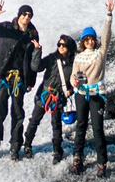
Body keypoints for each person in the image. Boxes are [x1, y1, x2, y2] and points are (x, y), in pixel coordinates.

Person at [0, 0, 39, 161]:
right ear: (19, 15)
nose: (26, 17)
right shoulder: (7, 28)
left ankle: (15, 147)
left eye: (29, 15)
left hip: (20, 79)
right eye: (24, 14)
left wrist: (30, 82)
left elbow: (33, 60)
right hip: (4, 76)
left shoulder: (32, 35)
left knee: (17, 113)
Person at [70, 0, 115, 177]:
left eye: (91, 39)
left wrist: (109, 15)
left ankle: (102, 162)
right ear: (82, 41)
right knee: (81, 125)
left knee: (97, 128)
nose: (89, 42)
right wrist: (75, 81)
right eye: (86, 39)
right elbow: (76, 74)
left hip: (97, 94)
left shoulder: (100, 53)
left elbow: (107, 35)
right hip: (81, 94)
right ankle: (77, 158)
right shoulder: (78, 57)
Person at [23, 35, 77, 164]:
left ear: (69, 47)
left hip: (59, 97)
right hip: (44, 95)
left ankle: (57, 151)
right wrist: (37, 51)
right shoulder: (52, 58)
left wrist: (72, 90)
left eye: (63, 45)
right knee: (34, 120)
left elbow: (78, 80)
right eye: (59, 44)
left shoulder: (74, 63)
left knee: (56, 125)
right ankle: (27, 145)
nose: (61, 47)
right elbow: (36, 67)